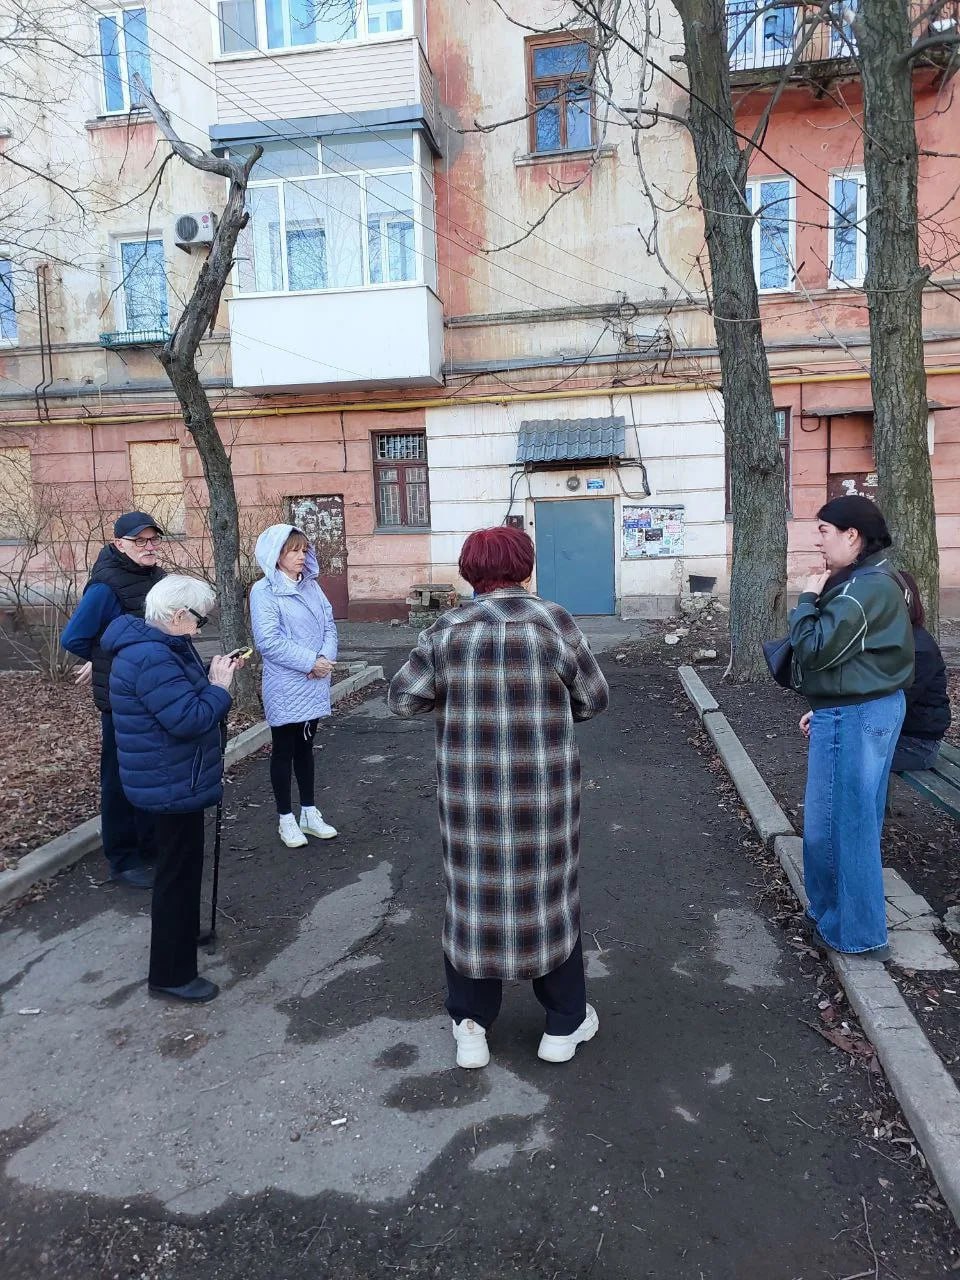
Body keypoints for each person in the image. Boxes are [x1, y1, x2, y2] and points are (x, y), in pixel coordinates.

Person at [387, 526, 609, 1070]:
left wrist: (453, 699)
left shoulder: (446, 629)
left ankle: (471, 1027)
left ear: (470, 572)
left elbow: (402, 700)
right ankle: (562, 1026)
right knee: (550, 898)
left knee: (472, 900)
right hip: (544, 798)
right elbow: (593, 698)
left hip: (470, 800)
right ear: (524, 567)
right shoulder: (552, 622)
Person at [102, 575, 236, 1003]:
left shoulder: (160, 648)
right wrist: (220, 687)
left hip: (172, 777)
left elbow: (181, 700)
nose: (199, 628)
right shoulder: (151, 657)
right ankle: (171, 975)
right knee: (176, 875)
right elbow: (189, 719)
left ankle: (182, 937)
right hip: (170, 782)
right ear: (177, 615)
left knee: (181, 869)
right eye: (199, 619)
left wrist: (211, 675)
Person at [794, 496, 914, 957]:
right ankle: (832, 916)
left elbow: (813, 649)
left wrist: (807, 598)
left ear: (852, 535)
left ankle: (857, 934)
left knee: (842, 825)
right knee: (841, 822)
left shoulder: (863, 590)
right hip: (862, 709)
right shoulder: (875, 581)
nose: (817, 540)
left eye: (824, 530)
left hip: (856, 715)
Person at [60, 511, 165, 888]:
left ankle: (150, 845)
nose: (149, 547)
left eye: (154, 539)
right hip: (121, 698)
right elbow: (74, 638)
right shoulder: (105, 587)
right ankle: (122, 859)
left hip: (154, 692)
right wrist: (103, 659)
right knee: (120, 778)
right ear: (119, 544)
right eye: (140, 541)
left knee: (150, 771)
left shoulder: (155, 576)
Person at [250, 524, 339, 849]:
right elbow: (268, 641)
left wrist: (324, 659)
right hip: (287, 684)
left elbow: (329, 625)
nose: (301, 556)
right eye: (293, 551)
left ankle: (309, 813)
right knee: (284, 749)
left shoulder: (311, 586)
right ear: (276, 555)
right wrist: (310, 662)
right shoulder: (263, 591)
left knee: (306, 746)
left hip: (315, 679)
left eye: (303, 550)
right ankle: (286, 818)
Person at [890, 571, 951, 774]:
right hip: (900, 734)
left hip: (918, 745)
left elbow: (894, 703)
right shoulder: (894, 638)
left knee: (850, 759)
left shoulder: (919, 648)